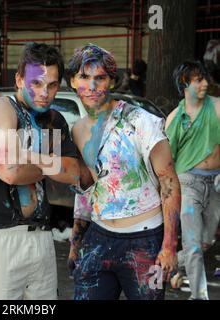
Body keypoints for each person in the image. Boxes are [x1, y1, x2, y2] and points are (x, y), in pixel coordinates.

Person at [0, 42, 81, 300]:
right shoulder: (0, 109)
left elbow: (74, 172)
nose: (44, 92)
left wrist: (29, 156)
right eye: (36, 83)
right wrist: (51, 163)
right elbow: (11, 171)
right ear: (19, 79)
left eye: (52, 85)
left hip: (41, 237)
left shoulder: (53, 120)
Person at [68, 44, 180, 300]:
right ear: (73, 81)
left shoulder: (141, 120)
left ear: (112, 81)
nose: (92, 86)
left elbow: (169, 181)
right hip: (98, 236)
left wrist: (169, 246)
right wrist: (76, 242)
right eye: (84, 77)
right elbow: (86, 187)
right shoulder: (78, 130)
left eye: (100, 78)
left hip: (144, 240)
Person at [165, 61, 220, 300]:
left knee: (205, 242)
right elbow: (166, 162)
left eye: (205, 79)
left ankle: (162, 267)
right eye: (198, 80)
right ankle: (199, 296)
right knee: (194, 245)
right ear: (184, 84)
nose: (205, 84)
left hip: (215, 183)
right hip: (187, 183)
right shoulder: (174, 118)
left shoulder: (217, 107)